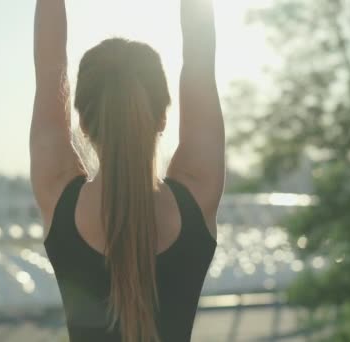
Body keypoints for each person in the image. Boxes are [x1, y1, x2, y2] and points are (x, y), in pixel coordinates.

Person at [30, 0, 224, 341]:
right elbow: (200, 60)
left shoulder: (58, 192)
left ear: (85, 125)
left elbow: (50, 70)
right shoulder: (198, 191)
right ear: (162, 117)